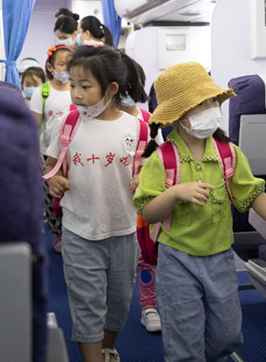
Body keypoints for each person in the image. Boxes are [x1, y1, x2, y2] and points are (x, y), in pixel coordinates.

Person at [133, 62, 266, 362]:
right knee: (185, 341)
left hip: (221, 258)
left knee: (227, 336)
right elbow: (148, 213)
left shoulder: (228, 153)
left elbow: (252, 193)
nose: (212, 108)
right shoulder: (162, 159)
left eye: (213, 100)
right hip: (177, 261)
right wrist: (174, 193)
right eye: (201, 104)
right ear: (178, 115)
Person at [45, 45, 142, 362]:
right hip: (80, 231)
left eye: (85, 87)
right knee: (87, 304)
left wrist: (145, 180)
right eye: (73, 84)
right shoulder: (68, 124)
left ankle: (107, 347)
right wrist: (53, 179)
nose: (75, 94)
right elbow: (50, 165)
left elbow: (150, 171)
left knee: (119, 303)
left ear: (111, 89)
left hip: (124, 231)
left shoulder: (137, 127)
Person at [118, 51, 163, 333]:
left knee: (147, 257)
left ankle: (149, 306)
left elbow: (161, 158)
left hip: (142, 204)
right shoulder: (98, 122)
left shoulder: (149, 121)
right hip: (111, 203)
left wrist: (144, 176)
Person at [29, 45, 74, 253]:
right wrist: (36, 150)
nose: (66, 69)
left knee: (72, 192)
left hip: (74, 152)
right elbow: (34, 125)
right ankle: (58, 234)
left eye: (69, 64)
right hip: (50, 153)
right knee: (51, 196)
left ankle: (73, 231)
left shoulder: (77, 89)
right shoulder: (43, 93)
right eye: (61, 64)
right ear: (50, 67)